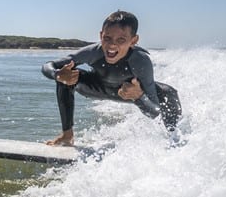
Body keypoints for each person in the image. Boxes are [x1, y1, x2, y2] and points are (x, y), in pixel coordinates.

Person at [42, 10, 181, 145]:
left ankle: (174, 139)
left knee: (168, 92)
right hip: (96, 88)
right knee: (67, 75)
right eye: (107, 38)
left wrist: (139, 96)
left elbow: (154, 113)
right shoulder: (93, 52)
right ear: (101, 35)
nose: (112, 45)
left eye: (121, 39)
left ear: (133, 40)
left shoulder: (140, 61)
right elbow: (49, 65)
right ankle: (67, 135)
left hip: (127, 93)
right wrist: (57, 75)